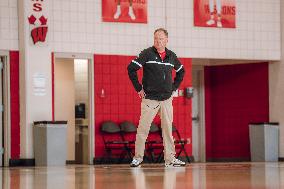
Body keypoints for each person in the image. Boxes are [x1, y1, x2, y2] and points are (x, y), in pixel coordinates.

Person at [127, 28, 186, 168]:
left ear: (166, 40)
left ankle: (170, 159)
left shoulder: (171, 56)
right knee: (143, 129)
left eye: (160, 39)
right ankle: (138, 158)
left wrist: (173, 87)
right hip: (150, 99)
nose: (157, 41)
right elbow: (131, 68)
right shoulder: (147, 53)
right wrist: (138, 88)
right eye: (155, 39)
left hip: (166, 99)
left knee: (168, 130)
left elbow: (181, 71)